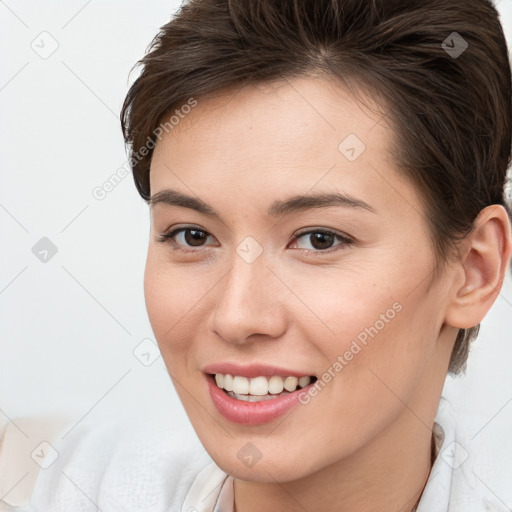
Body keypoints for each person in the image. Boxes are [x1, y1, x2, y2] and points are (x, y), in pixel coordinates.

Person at [1, 0, 512, 510]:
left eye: (319, 239)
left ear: (474, 270)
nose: (237, 316)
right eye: (192, 236)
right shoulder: (49, 487)